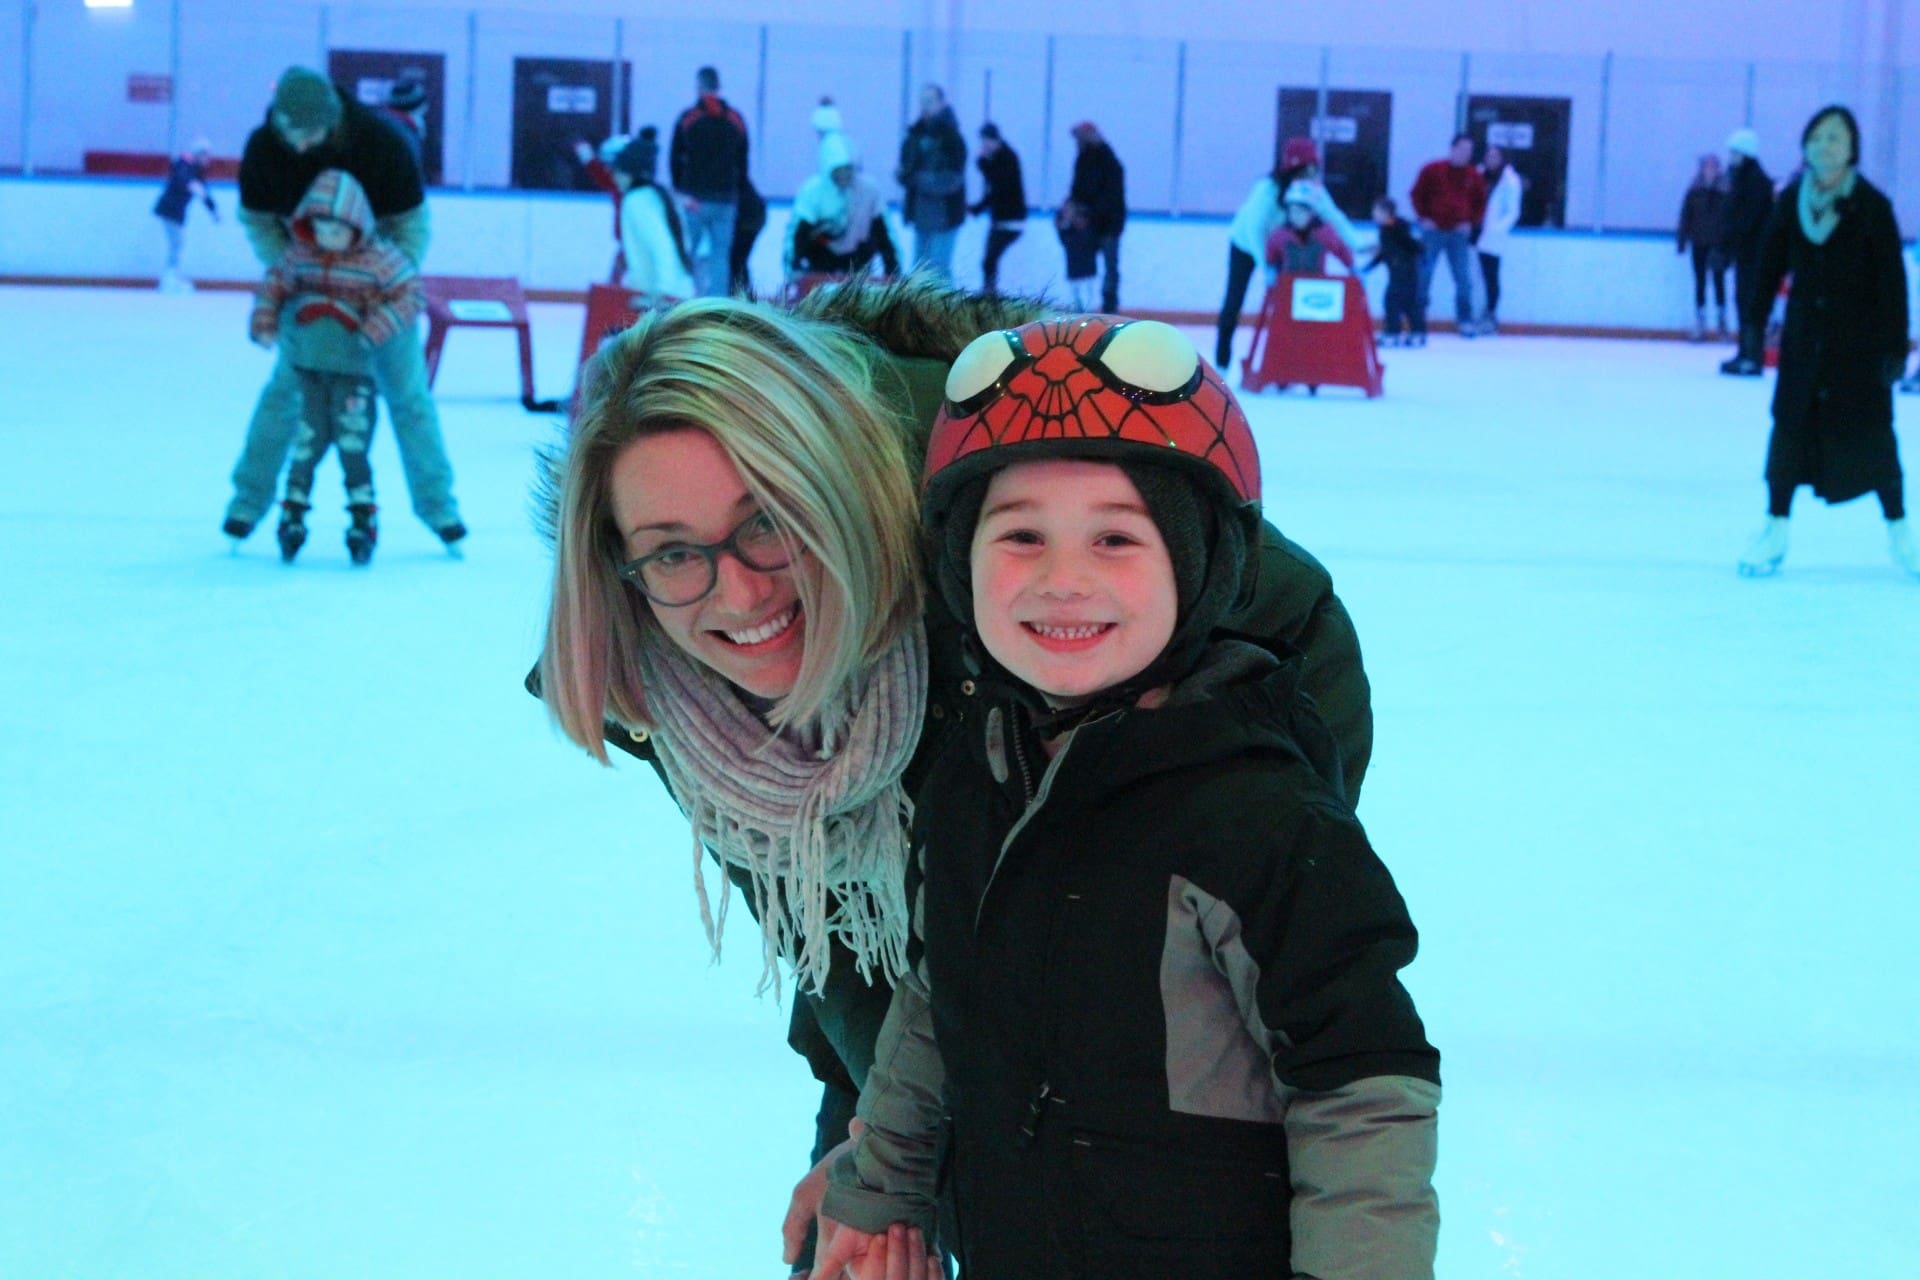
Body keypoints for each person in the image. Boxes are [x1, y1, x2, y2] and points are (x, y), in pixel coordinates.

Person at [530, 277, 1378, 1278]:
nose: (740, 591)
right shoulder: (671, 672)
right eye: (673, 553)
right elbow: (829, 933)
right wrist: (876, 1143)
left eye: (769, 521)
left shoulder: (1007, 513)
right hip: (922, 990)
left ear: (831, 485)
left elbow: (1296, 631)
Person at [805, 316, 1441, 1280]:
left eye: (1115, 537)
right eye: (1020, 536)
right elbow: (938, 1004)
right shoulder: (972, 782)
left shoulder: (1264, 818)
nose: (1065, 580)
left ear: (1196, 563)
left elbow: (1359, 1087)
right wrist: (881, 1183)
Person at [222, 67, 465, 551]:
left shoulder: (381, 142)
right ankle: (248, 500)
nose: (301, 145)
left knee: (409, 397)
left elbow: (412, 225)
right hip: (310, 295)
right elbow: (257, 221)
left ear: (332, 121)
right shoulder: (265, 148)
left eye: (311, 134)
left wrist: (382, 279)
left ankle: (439, 507)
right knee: (284, 396)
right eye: (290, 133)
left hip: (378, 293)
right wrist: (298, 277)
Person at [1736, 105, 1918, 580]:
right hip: (1804, 346)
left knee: (1876, 441)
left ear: (1852, 149)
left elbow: (1892, 281)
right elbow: (1769, 262)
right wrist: (1753, 323)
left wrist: (1896, 346)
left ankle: (1901, 534)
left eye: (1835, 138)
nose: (1824, 146)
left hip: (1858, 349)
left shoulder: (1872, 206)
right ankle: (1774, 530)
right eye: (1816, 137)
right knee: (1789, 435)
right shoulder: (1791, 200)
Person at [248, 168, 423, 567]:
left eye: (337, 230)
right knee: (305, 446)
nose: (328, 239)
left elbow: (411, 292)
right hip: (310, 372)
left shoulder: (377, 260)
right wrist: (264, 323)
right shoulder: (300, 258)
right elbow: (274, 283)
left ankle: (362, 518)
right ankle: (293, 512)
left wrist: (376, 327)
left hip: (355, 379)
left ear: (356, 224)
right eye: (321, 229)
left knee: (353, 447)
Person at [669, 66, 750, 297]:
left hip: (693, 199)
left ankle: (690, 299)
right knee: (720, 256)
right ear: (719, 86)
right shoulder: (736, 120)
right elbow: (743, 161)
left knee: (688, 252)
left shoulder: (688, 119)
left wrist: (679, 189)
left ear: (699, 86)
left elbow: (675, 157)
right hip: (726, 200)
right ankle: (717, 305)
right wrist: (738, 192)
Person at [786, 132, 900, 280]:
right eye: (838, 170)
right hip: (821, 256)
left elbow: (881, 231)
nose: (844, 175)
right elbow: (800, 232)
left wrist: (892, 268)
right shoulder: (813, 191)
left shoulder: (869, 190)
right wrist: (795, 266)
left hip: (858, 255)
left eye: (848, 169)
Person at [1409, 133, 1487, 337]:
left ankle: (1465, 320)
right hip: (1432, 233)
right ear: (1452, 149)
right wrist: (1423, 217)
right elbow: (1416, 194)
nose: (1465, 154)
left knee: (1463, 278)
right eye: (1462, 149)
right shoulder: (1432, 170)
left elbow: (1481, 203)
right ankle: (1418, 318)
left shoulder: (1474, 176)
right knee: (1424, 275)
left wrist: (1471, 222)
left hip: (1458, 236)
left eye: (1469, 151)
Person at [611, 129, 696, 302]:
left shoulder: (638, 201)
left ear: (630, 173)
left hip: (663, 297)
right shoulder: (658, 195)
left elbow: (661, 244)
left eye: (618, 171)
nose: (614, 177)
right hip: (678, 292)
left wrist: (662, 291)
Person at [896, 85, 968, 282]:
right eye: (922, 101)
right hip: (920, 216)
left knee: (939, 273)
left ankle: (945, 312)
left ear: (941, 103)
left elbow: (952, 180)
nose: (925, 106)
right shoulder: (914, 136)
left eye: (930, 101)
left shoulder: (953, 139)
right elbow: (906, 169)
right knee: (919, 271)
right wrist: (904, 175)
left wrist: (918, 179)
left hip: (945, 216)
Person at [1719, 127, 1776, 375]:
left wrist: (1729, 245)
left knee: (1751, 303)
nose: (1731, 158)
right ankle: (1746, 352)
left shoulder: (1755, 182)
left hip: (1755, 255)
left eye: (1735, 153)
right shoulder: (1742, 179)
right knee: (1743, 302)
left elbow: (1746, 220)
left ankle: (1752, 356)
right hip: (1747, 255)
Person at [1061, 121, 1126, 312]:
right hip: (1090, 224)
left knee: (1109, 268)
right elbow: (1077, 190)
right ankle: (1085, 305)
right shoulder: (1083, 159)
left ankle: (1109, 308)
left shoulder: (1109, 162)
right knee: (1086, 266)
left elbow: (1109, 197)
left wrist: (1085, 213)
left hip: (1108, 224)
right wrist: (1070, 207)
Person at [153, 137, 219, 294]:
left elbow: (203, 191)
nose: (208, 159)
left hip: (176, 213)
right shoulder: (185, 164)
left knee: (178, 243)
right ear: (198, 154)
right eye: (206, 155)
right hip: (169, 210)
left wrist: (213, 210)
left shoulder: (196, 171)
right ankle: (169, 279)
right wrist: (190, 184)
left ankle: (171, 275)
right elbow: (182, 178)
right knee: (177, 243)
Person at [1676, 152, 1730, 340]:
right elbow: (1685, 216)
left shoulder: (1725, 190)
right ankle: (1700, 322)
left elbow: (1732, 218)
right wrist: (1682, 240)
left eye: (1713, 166)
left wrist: (1732, 242)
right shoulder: (1694, 190)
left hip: (1718, 244)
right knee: (1700, 282)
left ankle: (1722, 324)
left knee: (1718, 282)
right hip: (1699, 242)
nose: (1710, 170)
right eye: (1707, 166)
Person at [969, 123, 1026, 296]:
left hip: (1011, 220)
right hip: (1001, 219)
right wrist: (978, 208)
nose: (984, 145)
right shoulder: (998, 159)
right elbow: (993, 190)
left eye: (987, 141)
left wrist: (983, 164)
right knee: (988, 260)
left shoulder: (1007, 158)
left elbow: (1000, 187)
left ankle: (990, 293)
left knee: (989, 259)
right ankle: (989, 291)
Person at [1474, 144, 1522, 335]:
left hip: (1493, 235)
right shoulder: (1477, 174)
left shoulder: (1510, 181)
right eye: (1488, 155)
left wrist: (1496, 229)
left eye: (1495, 156)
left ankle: (1490, 315)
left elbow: (1512, 211)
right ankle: (1476, 315)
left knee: (1490, 276)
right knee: (1474, 278)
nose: (1491, 159)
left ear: (1502, 158)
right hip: (1474, 232)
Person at [1266, 181, 1357, 278]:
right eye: (1292, 212)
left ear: (1311, 213)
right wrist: (1270, 271)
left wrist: (1351, 267)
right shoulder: (1280, 235)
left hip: (1314, 285)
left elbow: (1341, 249)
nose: (1295, 216)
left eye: (1300, 212)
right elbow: (1270, 255)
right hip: (1287, 285)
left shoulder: (1324, 233)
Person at [573, 134, 631, 283]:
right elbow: (600, 174)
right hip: (628, 242)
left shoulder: (627, 186)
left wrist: (585, 153)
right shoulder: (621, 183)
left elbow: (599, 174)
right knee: (617, 278)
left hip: (634, 242)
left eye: (611, 164)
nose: (609, 169)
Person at [1368, 196, 1423, 346]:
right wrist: (1369, 267)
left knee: (1394, 302)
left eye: (1377, 210)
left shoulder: (1396, 228)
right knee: (1406, 303)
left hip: (1404, 273)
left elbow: (1411, 245)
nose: (1374, 213)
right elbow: (1384, 253)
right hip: (1397, 273)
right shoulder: (1386, 229)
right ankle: (1415, 332)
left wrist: (1416, 252)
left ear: (1386, 212)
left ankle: (1395, 333)